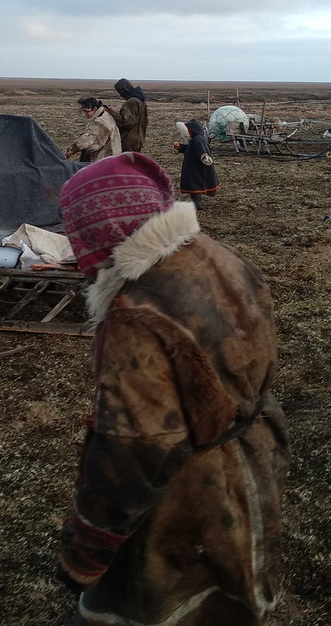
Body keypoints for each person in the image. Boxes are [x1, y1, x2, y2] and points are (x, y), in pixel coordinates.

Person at [55, 152, 289, 626]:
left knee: (169, 601)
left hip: (192, 493)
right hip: (255, 450)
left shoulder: (136, 312)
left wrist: (87, 546)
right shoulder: (219, 256)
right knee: (236, 585)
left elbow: (137, 449)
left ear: (98, 227)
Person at [173, 118, 220, 210]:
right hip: (194, 167)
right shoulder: (195, 139)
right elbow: (190, 149)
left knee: (195, 184)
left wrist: (204, 156)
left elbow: (201, 150)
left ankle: (197, 203)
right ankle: (197, 201)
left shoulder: (198, 139)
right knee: (195, 184)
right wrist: (180, 147)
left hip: (196, 168)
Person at [64, 97, 122, 162]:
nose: (85, 114)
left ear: (95, 109)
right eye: (84, 111)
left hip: (105, 160)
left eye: (87, 111)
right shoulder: (103, 116)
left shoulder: (102, 121)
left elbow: (89, 140)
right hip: (109, 158)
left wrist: (70, 152)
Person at [104, 78, 148, 152]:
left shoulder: (131, 102)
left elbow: (126, 122)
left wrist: (110, 112)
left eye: (121, 91)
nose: (121, 95)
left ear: (126, 88)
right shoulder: (141, 101)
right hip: (138, 139)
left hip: (128, 142)